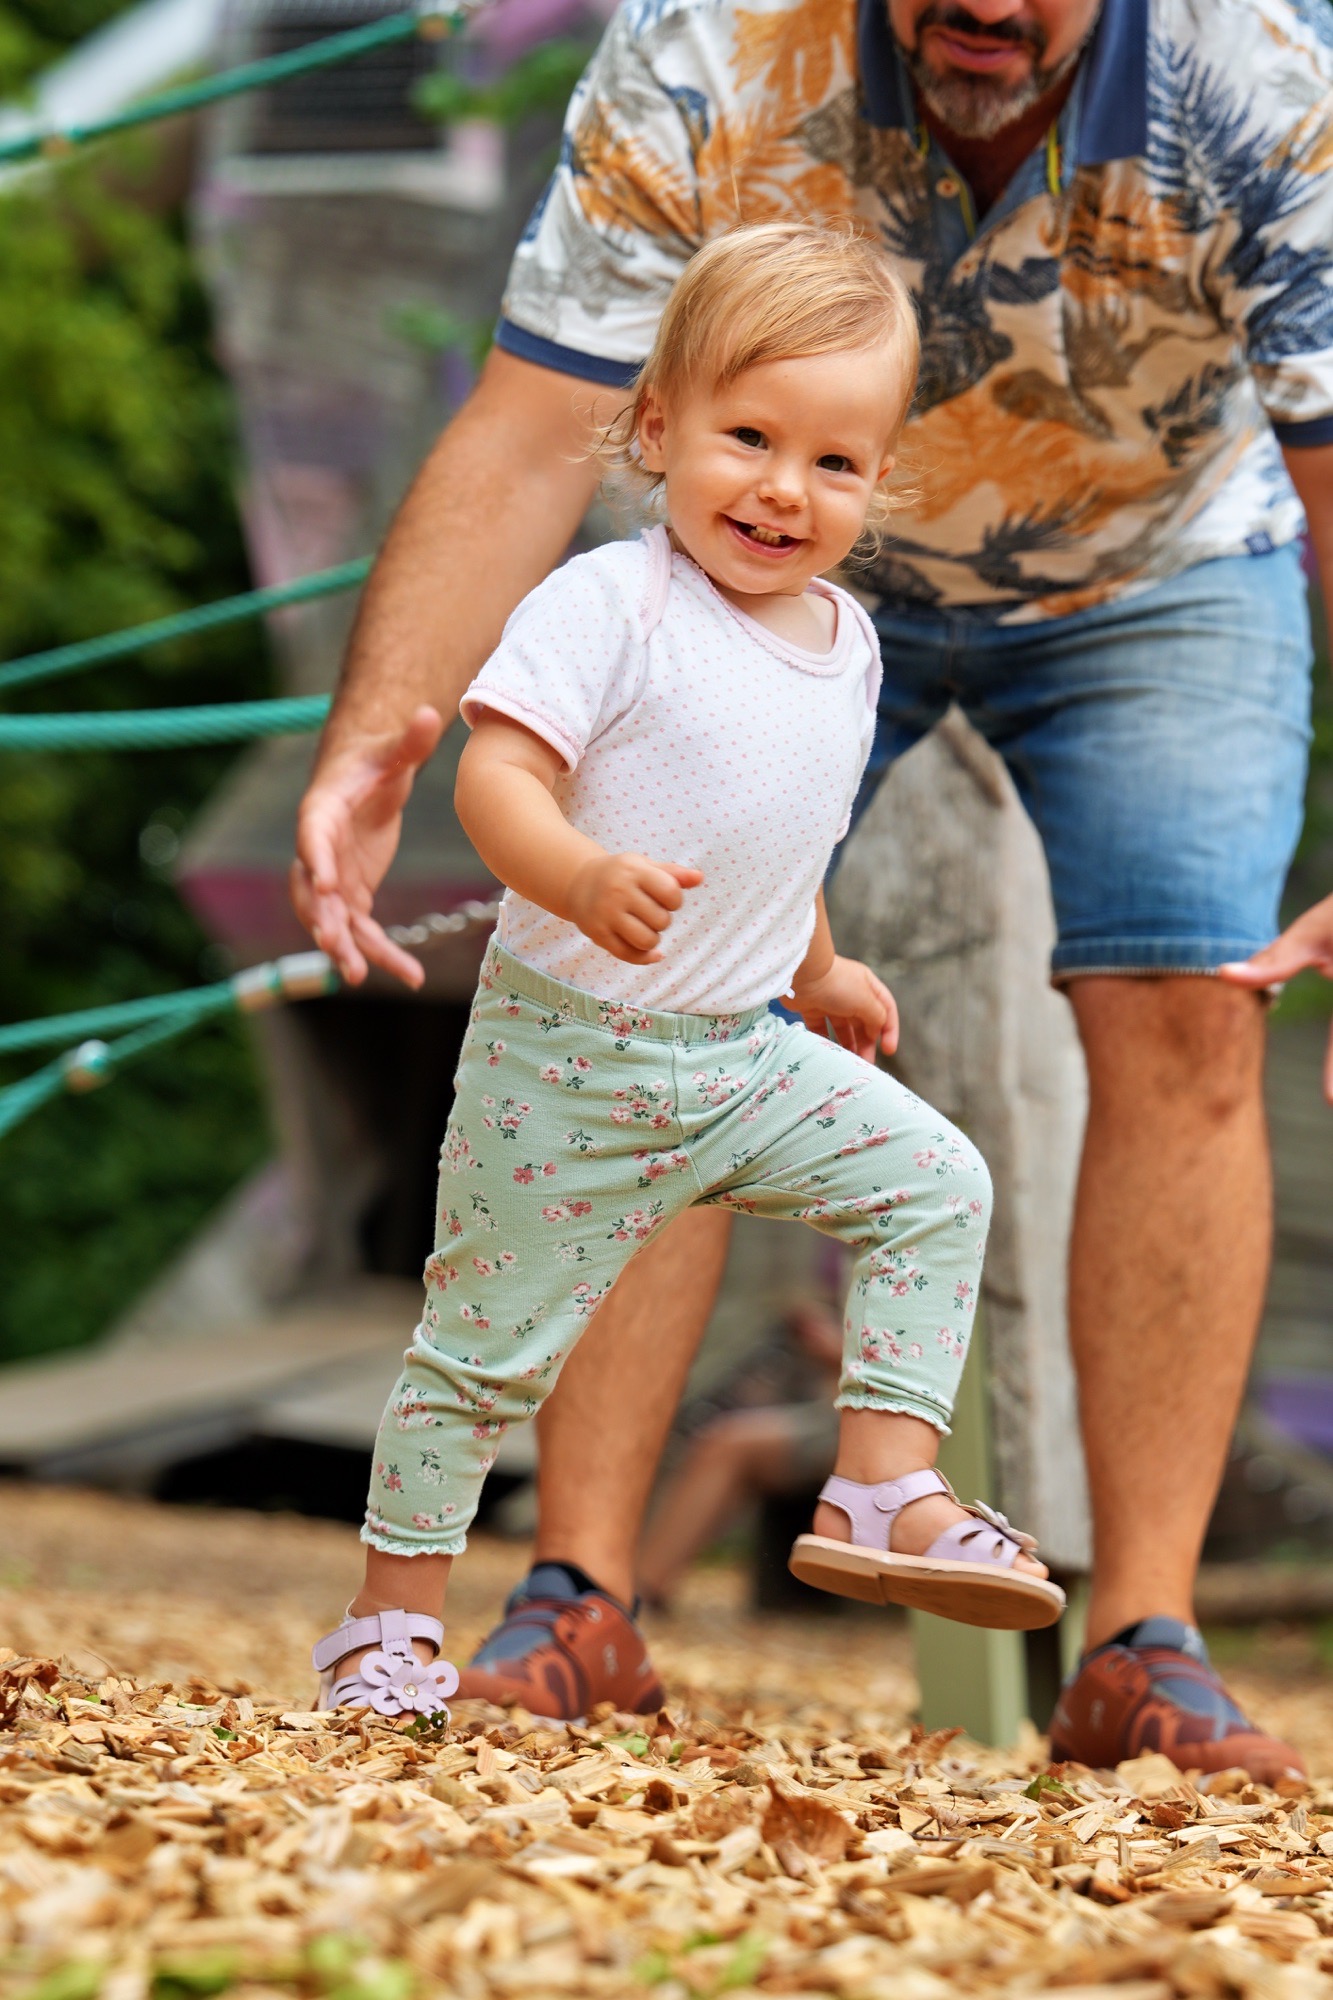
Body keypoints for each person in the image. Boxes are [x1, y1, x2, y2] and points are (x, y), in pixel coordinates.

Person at [293, 0, 1333, 1775]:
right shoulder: (706, 48)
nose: (985, 7)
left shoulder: (1264, 76)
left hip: (1154, 559)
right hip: (724, 569)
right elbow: (540, 426)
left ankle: (1136, 1638)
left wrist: (820, 954)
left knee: (1185, 1000)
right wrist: (379, 733)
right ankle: (574, 1594)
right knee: (659, 1013)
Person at [311, 224, 1071, 1716]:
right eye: (747, 438)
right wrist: (577, 876)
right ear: (655, 427)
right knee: (482, 1354)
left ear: (877, 480)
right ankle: (387, 1624)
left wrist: (827, 965)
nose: (785, 489)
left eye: (835, 462)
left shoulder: (847, 644)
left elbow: (776, 838)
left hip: (740, 1052)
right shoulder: (610, 603)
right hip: (566, 1055)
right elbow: (497, 783)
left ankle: (876, 1480)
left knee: (937, 1183)